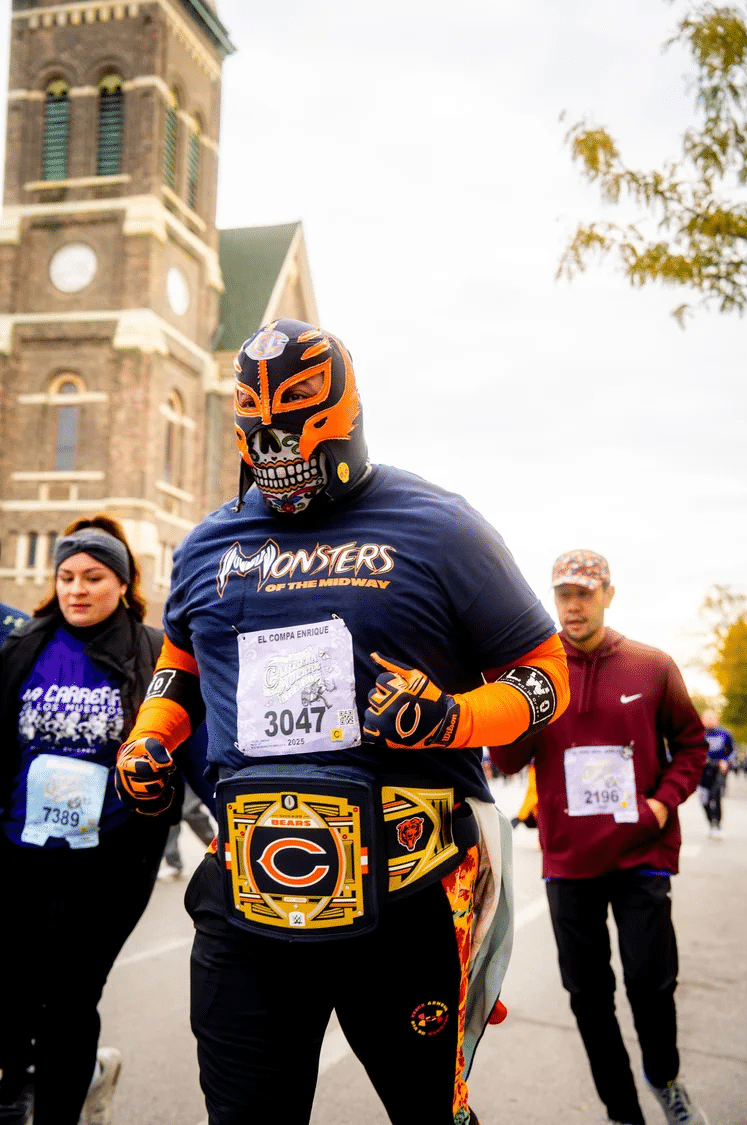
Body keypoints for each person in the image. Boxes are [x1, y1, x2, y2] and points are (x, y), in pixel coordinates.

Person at [115, 317, 571, 1125]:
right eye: (264, 447)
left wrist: (453, 716)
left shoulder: (442, 526)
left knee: (431, 1113)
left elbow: (545, 673)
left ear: (347, 421)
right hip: (249, 893)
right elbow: (178, 668)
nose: (282, 469)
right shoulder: (207, 542)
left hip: (408, 895)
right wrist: (150, 737)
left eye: (300, 443)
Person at [0, 515, 207, 1125]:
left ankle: (58, 1109)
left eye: (93, 577)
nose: (77, 589)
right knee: (12, 989)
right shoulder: (24, 646)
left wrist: (229, 820)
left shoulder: (150, 653)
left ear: (122, 583)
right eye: (66, 576)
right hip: (18, 848)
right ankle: (18, 1090)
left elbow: (190, 744)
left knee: (68, 997)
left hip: (110, 858)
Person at [491, 548, 709, 1125]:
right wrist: (504, 692)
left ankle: (665, 1078)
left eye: (584, 593)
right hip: (568, 862)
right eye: (563, 593)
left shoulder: (651, 666)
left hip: (641, 854)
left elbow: (692, 745)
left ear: (608, 594)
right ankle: (623, 1112)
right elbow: (508, 759)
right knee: (589, 998)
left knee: (650, 983)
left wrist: (663, 804)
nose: (572, 604)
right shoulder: (539, 675)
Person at [697, 708, 735, 839]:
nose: (709, 720)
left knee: (716, 795)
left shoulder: (725, 734)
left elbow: (732, 752)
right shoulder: (698, 734)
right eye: (706, 718)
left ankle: (717, 824)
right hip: (703, 770)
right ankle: (710, 822)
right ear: (702, 719)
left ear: (716, 719)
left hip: (719, 770)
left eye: (712, 718)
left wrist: (726, 761)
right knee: (703, 798)